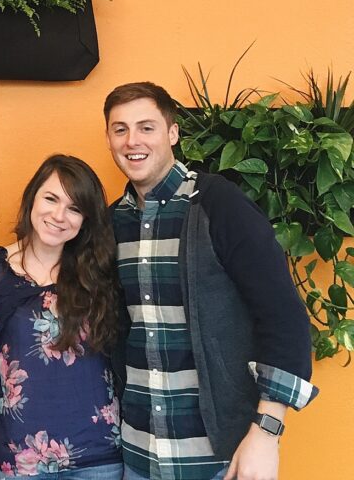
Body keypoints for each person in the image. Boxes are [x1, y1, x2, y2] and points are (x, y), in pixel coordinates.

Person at [103, 82, 318, 480]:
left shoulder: (219, 204)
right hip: (139, 454)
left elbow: (283, 316)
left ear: (172, 133)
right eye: (120, 129)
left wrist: (267, 432)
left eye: (146, 127)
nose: (133, 140)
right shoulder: (111, 223)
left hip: (220, 459)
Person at [0, 154, 123, 480]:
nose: (59, 215)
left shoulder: (99, 273)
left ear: (86, 219)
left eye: (74, 208)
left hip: (100, 459)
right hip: (21, 463)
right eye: (51, 198)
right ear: (32, 197)